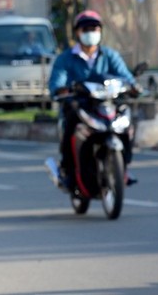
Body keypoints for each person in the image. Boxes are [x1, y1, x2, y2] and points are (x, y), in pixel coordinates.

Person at [49, 10, 138, 188]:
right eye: (86, 28)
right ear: (77, 32)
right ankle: (68, 171)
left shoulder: (109, 55)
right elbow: (56, 83)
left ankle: (124, 167)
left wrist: (133, 86)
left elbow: (125, 76)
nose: (91, 32)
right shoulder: (66, 58)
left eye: (94, 28)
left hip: (106, 104)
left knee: (127, 121)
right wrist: (62, 89)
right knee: (71, 123)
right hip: (80, 106)